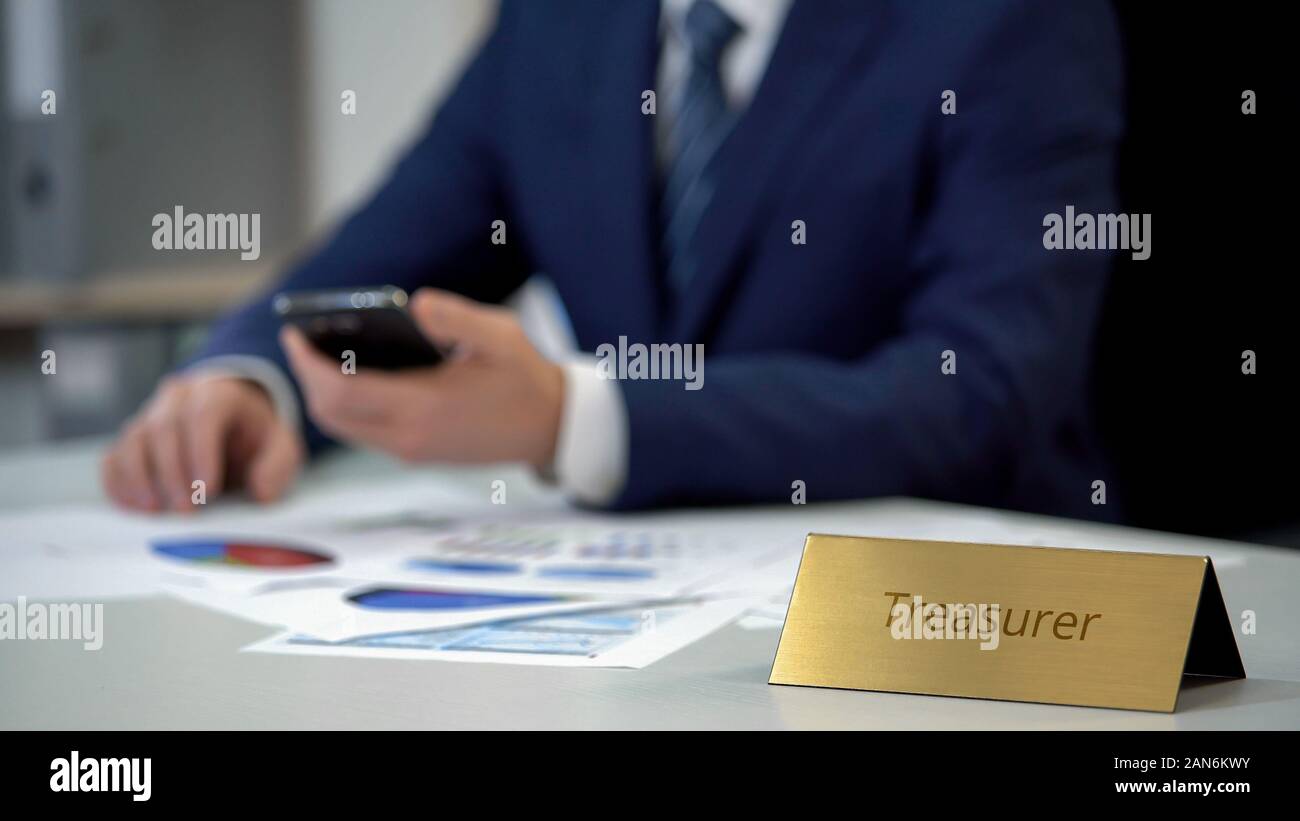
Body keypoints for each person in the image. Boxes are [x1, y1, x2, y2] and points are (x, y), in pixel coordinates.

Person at [101, 0, 1124, 520]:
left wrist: (577, 415)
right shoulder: (564, 21)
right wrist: (250, 378)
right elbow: (381, 256)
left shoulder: (1006, 20)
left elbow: (985, 390)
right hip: (643, 637)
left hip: (955, 629)